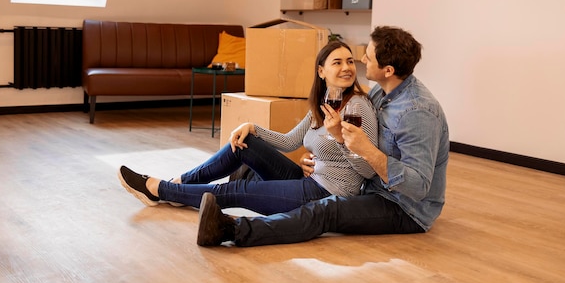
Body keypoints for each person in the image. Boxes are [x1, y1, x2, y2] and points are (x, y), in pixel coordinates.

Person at [196, 25, 450, 247]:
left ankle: (232, 230)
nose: (361, 59)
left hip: (404, 208)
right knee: (272, 172)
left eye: (367, 57)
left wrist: (366, 151)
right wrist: (320, 156)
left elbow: (418, 187)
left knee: (324, 210)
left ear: (388, 70)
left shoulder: (418, 112)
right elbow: (341, 145)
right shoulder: (379, 94)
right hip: (368, 188)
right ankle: (219, 181)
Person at [118, 41, 378, 215]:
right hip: (306, 179)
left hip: (325, 193)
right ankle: (181, 183)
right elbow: (289, 142)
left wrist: (340, 140)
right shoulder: (323, 105)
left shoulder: (358, 107)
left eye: (350, 61)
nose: (346, 67)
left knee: (235, 190)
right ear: (321, 71)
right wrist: (252, 127)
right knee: (245, 143)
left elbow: (367, 170)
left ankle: (159, 189)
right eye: (337, 62)